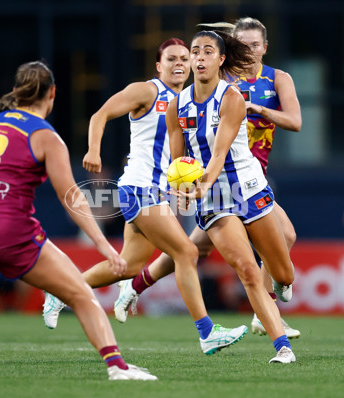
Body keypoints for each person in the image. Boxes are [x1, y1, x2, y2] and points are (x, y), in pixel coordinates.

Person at [0, 61, 157, 381]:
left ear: (16, 92)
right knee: (80, 294)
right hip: (9, 231)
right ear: (52, 93)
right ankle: (118, 367)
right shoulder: (47, 137)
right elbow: (72, 198)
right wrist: (104, 245)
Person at [43, 39, 248, 356]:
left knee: (127, 267)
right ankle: (207, 332)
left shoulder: (187, 101)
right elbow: (100, 115)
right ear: (158, 65)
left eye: (184, 58)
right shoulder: (147, 91)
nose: (180, 63)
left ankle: (59, 292)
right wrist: (93, 151)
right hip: (140, 188)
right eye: (171, 59)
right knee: (187, 252)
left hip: (155, 191)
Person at [114, 17, 301, 339]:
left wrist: (259, 110)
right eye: (244, 43)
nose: (251, 49)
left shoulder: (276, 79)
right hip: (216, 180)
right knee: (202, 251)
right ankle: (266, 311)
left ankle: (134, 287)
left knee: (195, 249)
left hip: (250, 177)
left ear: (265, 48)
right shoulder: (219, 80)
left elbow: (295, 122)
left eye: (256, 45)